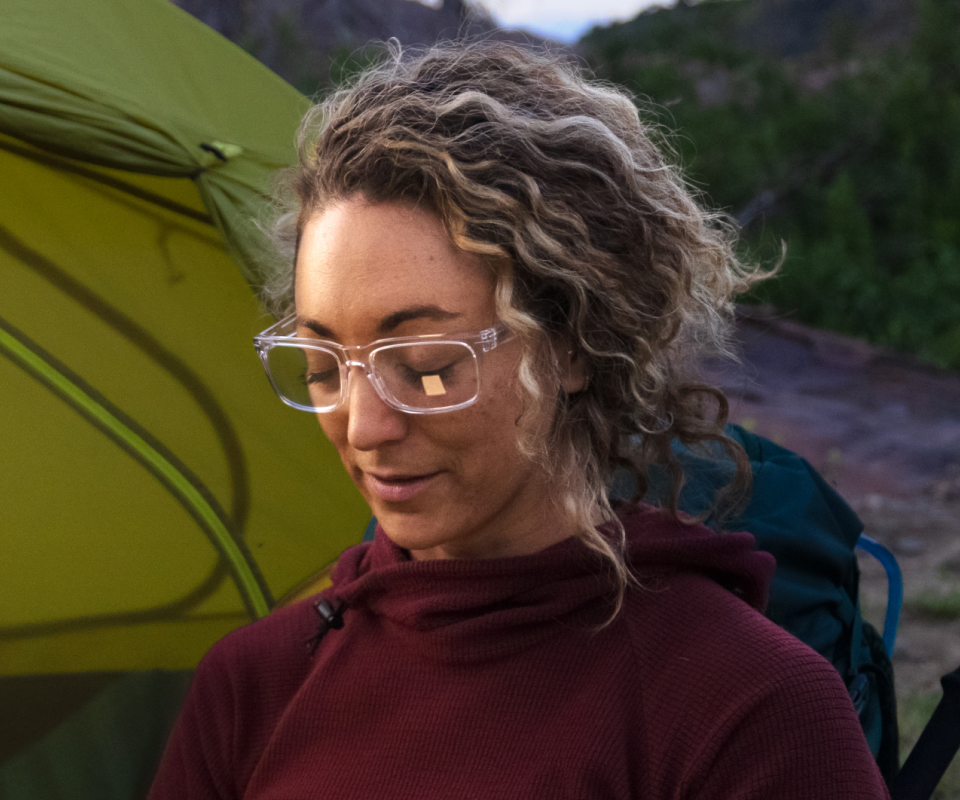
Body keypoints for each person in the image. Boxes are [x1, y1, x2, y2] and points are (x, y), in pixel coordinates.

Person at [148, 41, 890, 799]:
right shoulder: (254, 687)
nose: (364, 428)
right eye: (324, 366)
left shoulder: (751, 711)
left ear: (572, 342)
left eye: (427, 366)